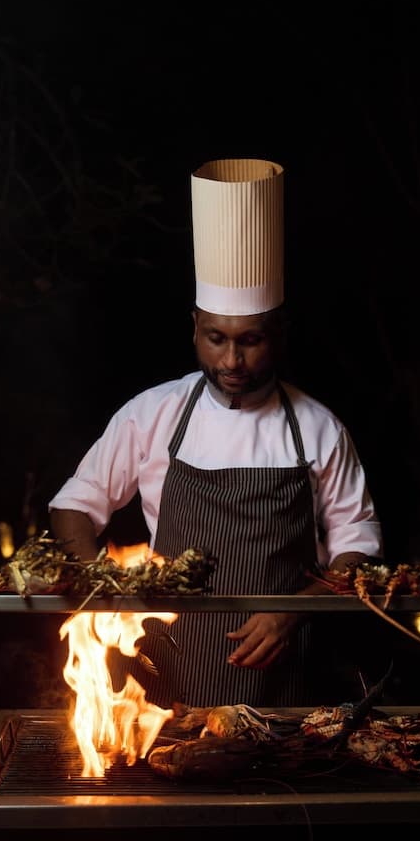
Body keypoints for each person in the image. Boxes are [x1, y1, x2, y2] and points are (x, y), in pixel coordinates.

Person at [49, 158, 383, 708]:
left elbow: (358, 546)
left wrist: (293, 611)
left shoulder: (319, 428)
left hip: (285, 687)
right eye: (216, 338)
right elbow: (73, 508)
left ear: (279, 334)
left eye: (250, 340)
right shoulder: (153, 414)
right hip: (162, 692)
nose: (231, 361)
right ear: (195, 329)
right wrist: (103, 595)